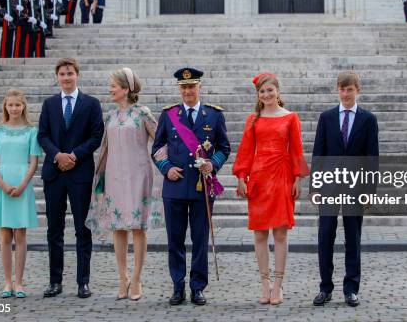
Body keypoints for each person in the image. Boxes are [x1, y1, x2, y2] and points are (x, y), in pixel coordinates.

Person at [151, 67, 231, 306]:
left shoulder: (214, 116)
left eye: (191, 86)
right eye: (183, 87)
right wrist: (166, 169)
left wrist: (212, 164)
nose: (187, 91)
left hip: (201, 187)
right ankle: (178, 286)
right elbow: (156, 148)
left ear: (199, 87)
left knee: (199, 239)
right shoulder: (169, 115)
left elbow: (224, 149)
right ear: (179, 89)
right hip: (175, 187)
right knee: (174, 240)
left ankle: (198, 287)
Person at [86, 67, 162, 301]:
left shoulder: (142, 113)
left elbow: (160, 141)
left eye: (114, 86)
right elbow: (105, 149)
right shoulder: (109, 116)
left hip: (138, 175)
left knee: (138, 227)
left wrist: (168, 166)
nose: (110, 89)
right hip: (114, 175)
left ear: (126, 89)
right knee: (117, 226)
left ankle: (137, 278)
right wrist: (99, 178)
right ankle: (123, 277)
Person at [233, 72, 309, 305]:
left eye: (270, 90)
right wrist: (241, 177)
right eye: (262, 91)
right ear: (258, 95)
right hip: (259, 177)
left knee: (280, 233)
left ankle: (278, 285)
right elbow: (246, 150)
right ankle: (264, 285)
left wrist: (298, 178)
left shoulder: (290, 118)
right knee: (259, 233)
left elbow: (297, 149)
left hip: (282, 177)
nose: (266, 95)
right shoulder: (253, 120)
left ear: (278, 91)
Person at [37, 58, 104, 299]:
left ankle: (82, 282)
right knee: (54, 229)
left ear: (77, 75)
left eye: (70, 73)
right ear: (57, 77)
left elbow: (97, 136)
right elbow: (42, 135)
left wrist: (74, 155)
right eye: (62, 74)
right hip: (54, 173)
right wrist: (58, 155)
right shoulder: (49, 104)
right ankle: (55, 281)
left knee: (81, 229)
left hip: (80, 173)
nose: (66, 77)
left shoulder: (91, 104)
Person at [312, 70, 379, 307]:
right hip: (329, 185)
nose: (345, 93)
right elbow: (318, 153)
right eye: (342, 89)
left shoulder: (368, 119)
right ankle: (325, 287)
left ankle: (351, 288)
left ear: (357, 90)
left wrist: (369, 190)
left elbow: (372, 157)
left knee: (353, 237)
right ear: (337, 90)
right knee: (325, 235)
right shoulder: (327, 117)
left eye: (349, 89)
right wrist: (315, 186)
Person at [0, 89, 42, 298]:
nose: (14, 108)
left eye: (18, 105)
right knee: (5, 234)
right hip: (2, 181)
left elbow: (34, 161)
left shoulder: (31, 131)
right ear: (5, 106)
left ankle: (19, 282)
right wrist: (2, 184)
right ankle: (7, 282)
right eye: (11, 105)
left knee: (21, 234)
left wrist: (23, 184)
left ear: (24, 106)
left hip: (22, 182)